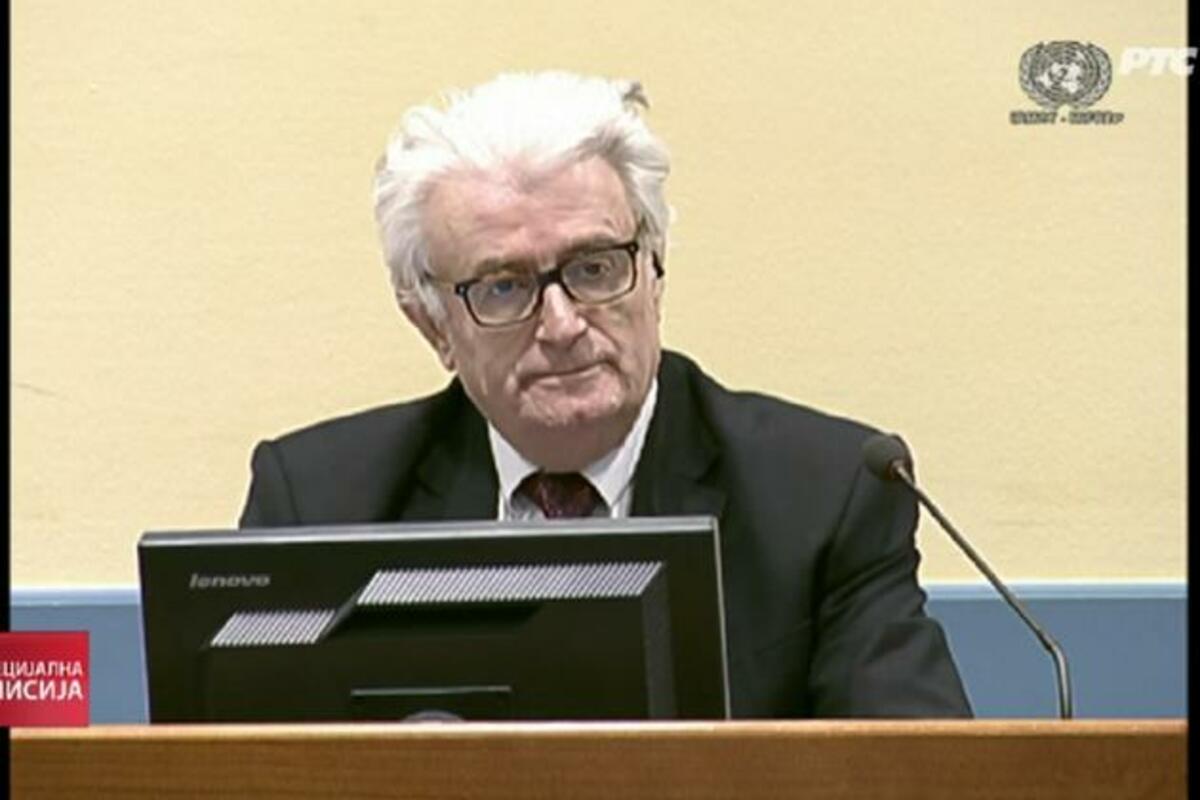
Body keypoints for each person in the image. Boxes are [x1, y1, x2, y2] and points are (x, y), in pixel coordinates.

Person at [239, 70, 972, 718]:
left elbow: (916, 773)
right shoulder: (319, 506)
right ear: (433, 324)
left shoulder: (824, 495)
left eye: (594, 268)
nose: (562, 325)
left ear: (654, 269)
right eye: (504, 287)